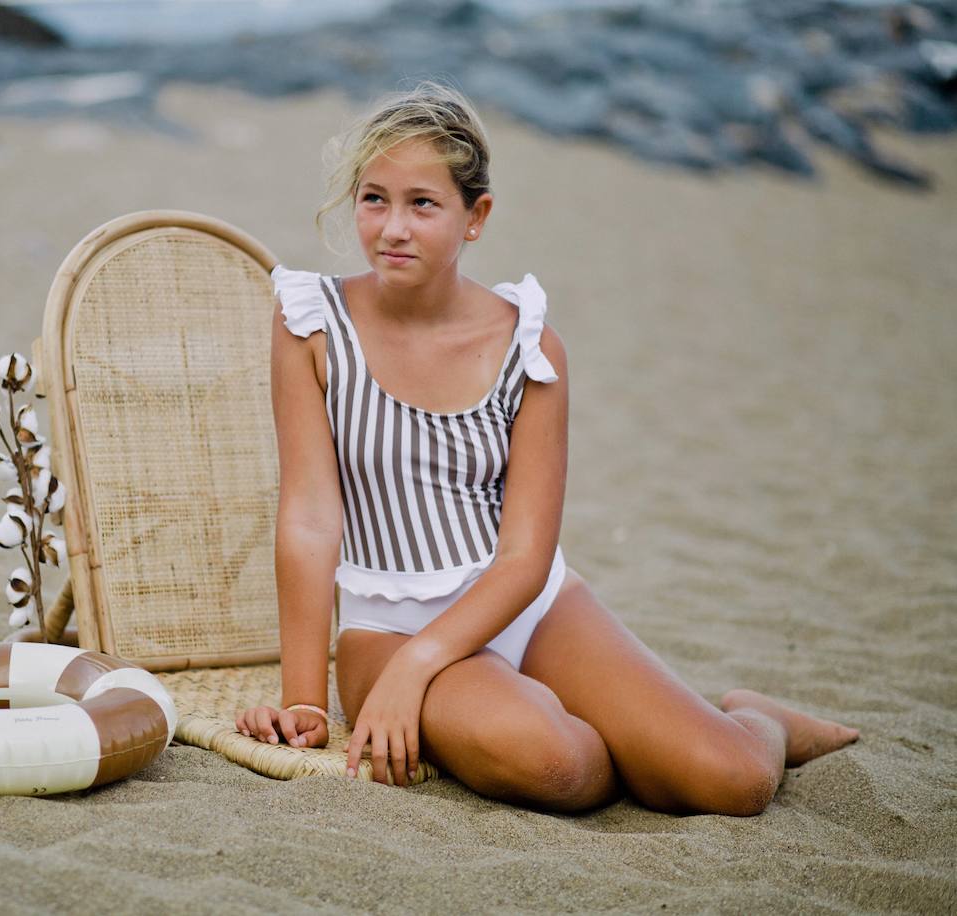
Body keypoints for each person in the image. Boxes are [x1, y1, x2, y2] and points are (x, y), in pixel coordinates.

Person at [234, 81, 859, 816]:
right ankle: (598, 730)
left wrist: (426, 666)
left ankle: (761, 719)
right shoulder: (311, 324)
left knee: (734, 781)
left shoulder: (529, 346)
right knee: (562, 767)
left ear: (477, 216)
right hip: (386, 627)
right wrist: (307, 698)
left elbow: (526, 557)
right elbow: (310, 519)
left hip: (526, 603)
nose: (392, 228)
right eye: (374, 199)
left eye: (423, 203)